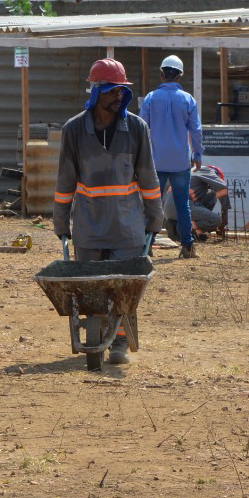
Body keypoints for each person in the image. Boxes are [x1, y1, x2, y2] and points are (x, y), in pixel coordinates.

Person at [53, 58, 164, 366]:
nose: (119, 97)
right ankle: (98, 333)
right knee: (93, 291)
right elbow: (65, 182)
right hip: (88, 227)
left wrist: (155, 219)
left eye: (122, 91)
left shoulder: (136, 129)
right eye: (113, 91)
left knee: (123, 291)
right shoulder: (74, 130)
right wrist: (61, 222)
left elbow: (149, 178)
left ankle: (120, 342)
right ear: (96, 92)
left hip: (127, 226)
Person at [139, 54, 204, 259]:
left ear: (161, 74)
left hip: (155, 161)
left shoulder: (150, 98)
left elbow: (141, 128)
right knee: (182, 203)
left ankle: (147, 245)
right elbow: (196, 131)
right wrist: (198, 154)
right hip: (180, 162)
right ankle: (187, 247)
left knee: (152, 202)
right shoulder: (188, 100)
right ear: (180, 76)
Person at [162, 164, 229, 241]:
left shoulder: (191, 174)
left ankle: (176, 225)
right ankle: (182, 229)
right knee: (216, 220)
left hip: (169, 210)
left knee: (212, 195)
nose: (210, 187)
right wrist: (224, 219)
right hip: (181, 205)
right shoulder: (207, 171)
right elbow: (222, 187)